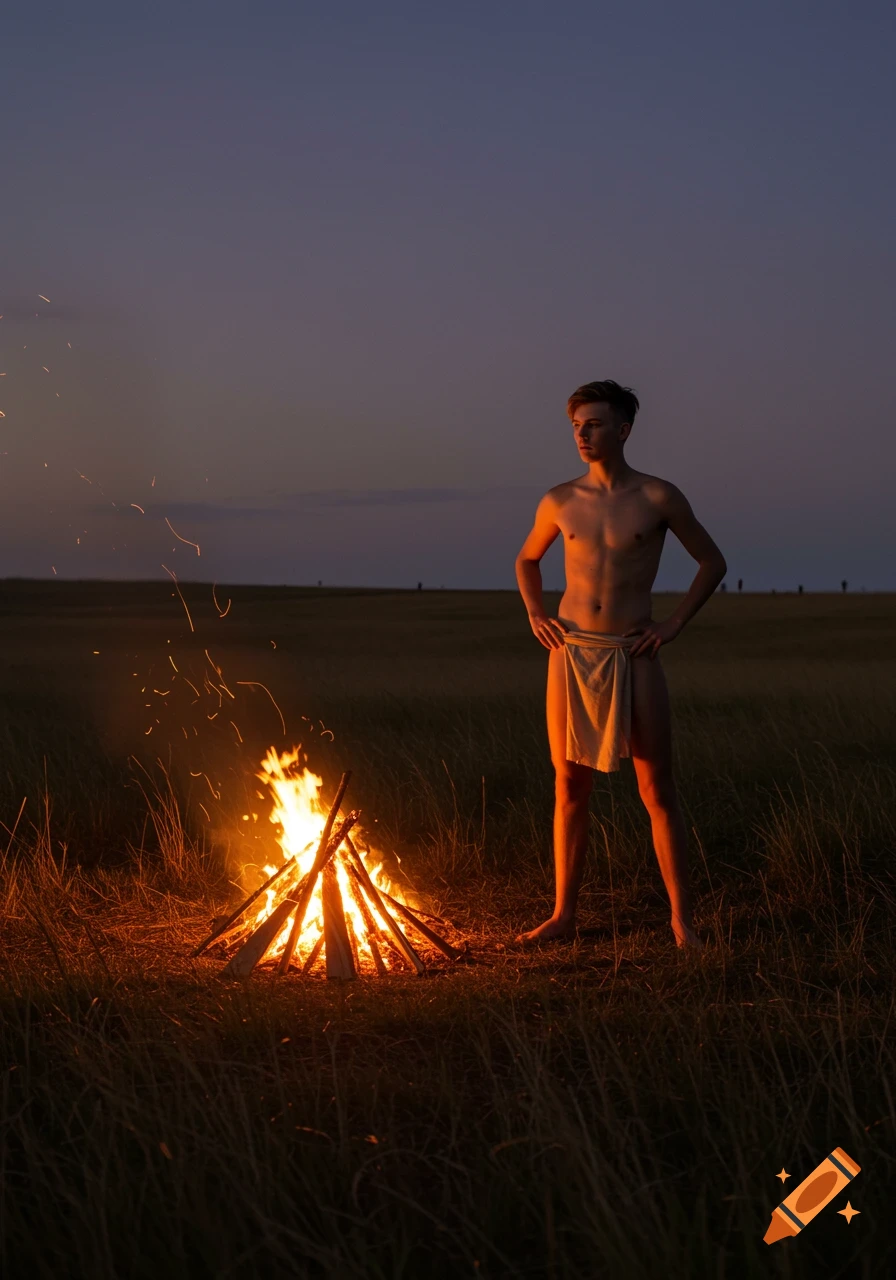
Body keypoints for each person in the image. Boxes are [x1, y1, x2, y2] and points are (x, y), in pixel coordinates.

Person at [514, 380, 726, 950]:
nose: (582, 434)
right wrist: (537, 613)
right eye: (576, 425)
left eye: (595, 424)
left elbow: (711, 560)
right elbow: (527, 559)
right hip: (572, 652)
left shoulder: (659, 496)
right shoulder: (559, 500)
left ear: (624, 430)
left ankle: (682, 921)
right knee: (568, 784)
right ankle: (563, 916)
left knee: (656, 788)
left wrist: (672, 624)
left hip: (633, 652)